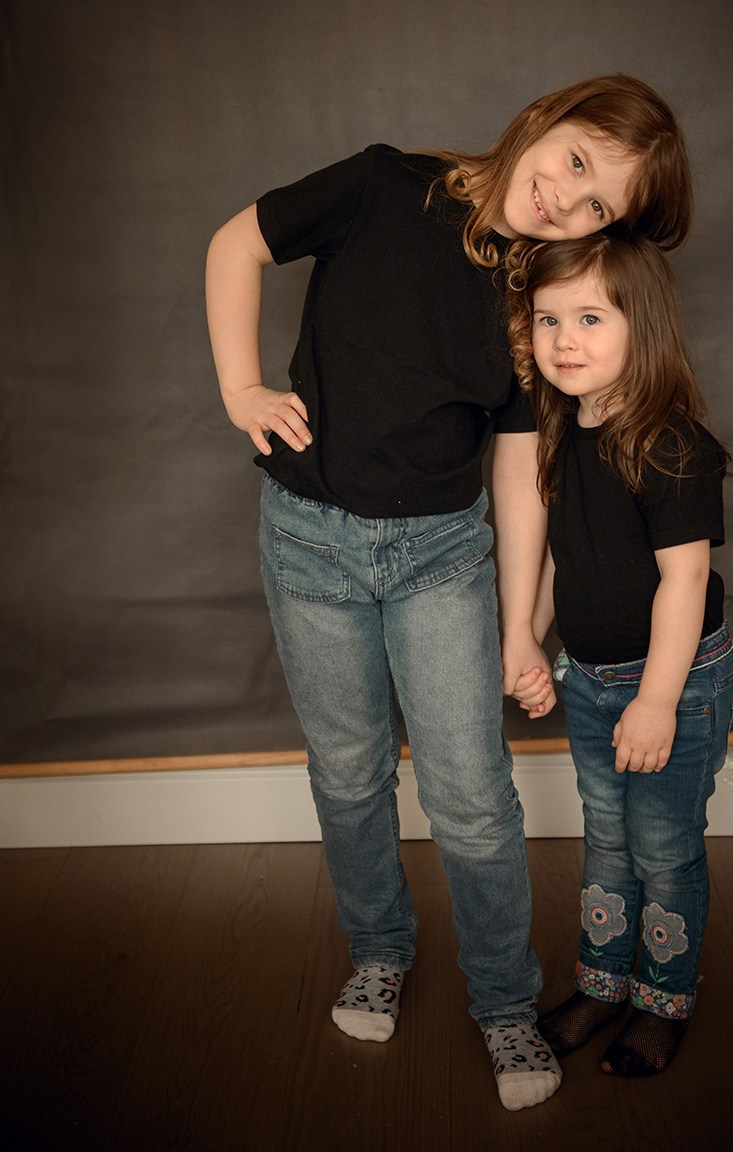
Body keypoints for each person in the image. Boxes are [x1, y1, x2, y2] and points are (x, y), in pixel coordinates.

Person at [204, 75, 692, 1111]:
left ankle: (506, 1000)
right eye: (572, 159)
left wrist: (520, 624)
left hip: (438, 556)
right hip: (308, 542)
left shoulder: (537, 291)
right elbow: (234, 242)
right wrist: (239, 384)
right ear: (542, 119)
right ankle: (379, 947)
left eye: (600, 201)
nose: (567, 198)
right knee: (348, 772)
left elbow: (518, 476)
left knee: (470, 798)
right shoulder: (385, 187)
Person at [505, 231, 733, 1078]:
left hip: (672, 684)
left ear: (643, 325)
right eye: (548, 319)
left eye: (590, 317)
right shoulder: (561, 434)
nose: (564, 339)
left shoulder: (671, 446)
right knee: (607, 842)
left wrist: (657, 700)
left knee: (665, 849)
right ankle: (603, 983)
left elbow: (683, 583)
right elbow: (560, 553)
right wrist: (529, 635)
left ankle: (662, 1000)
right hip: (594, 682)